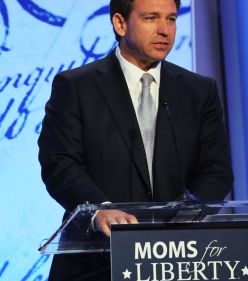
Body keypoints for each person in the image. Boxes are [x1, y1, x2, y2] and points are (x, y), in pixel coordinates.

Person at [38, 0, 233, 279]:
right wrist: (99, 209)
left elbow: (217, 169)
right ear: (120, 23)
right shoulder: (76, 86)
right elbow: (59, 163)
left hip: (178, 260)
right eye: (151, 18)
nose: (165, 30)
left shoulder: (198, 91)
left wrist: (191, 209)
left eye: (172, 19)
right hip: (96, 261)